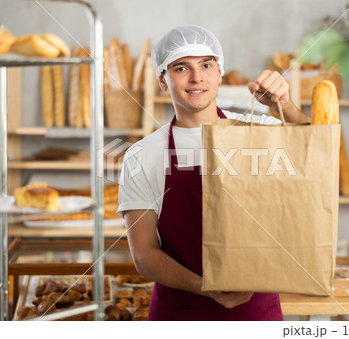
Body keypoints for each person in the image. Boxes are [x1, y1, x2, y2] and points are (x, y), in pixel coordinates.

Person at [117, 25, 310, 321]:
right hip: (179, 315)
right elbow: (144, 254)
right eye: (182, 68)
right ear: (163, 81)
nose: (197, 78)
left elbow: (316, 151)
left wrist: (286, 106)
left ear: (219, 73)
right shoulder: (141, 156)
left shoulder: (259, 132)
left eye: (206, 65)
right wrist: (206, 286)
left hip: (255, 314)